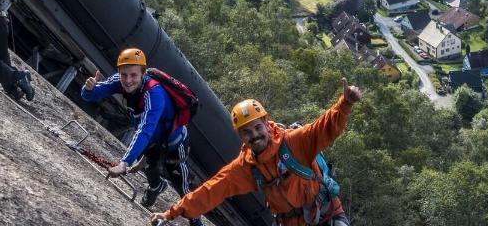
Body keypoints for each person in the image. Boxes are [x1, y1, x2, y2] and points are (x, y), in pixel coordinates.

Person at [149, 78, 363, 226]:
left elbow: (324, 127)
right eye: (246, 132)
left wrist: (345, 103)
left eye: (258, 127)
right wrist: (171, 213)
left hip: (327, 216)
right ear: (241, 137)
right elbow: (210, 191)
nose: (254, 135)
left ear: (267, 123)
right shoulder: (246, 168)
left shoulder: (294, 143)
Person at [82, 48, 203, 226]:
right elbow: (90, 96)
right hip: (153, 139)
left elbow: (145, 129)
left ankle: (196, 221)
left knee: (181, 184)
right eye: (124, 75)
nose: (128, 81)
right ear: (119, 73)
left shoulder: (154, 94)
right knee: (150, 166)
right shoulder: (119, 81)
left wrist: (124, 162)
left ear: (143, 73)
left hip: (174, 142)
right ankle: (156, 186)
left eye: (133, 75)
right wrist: (89, 88)